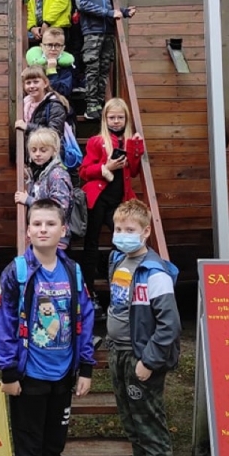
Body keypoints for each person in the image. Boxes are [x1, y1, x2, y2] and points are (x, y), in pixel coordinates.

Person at [0, 198, 95, 456]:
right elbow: (4, 322)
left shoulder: (73, 270)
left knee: (54, 449)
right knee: (29, 454)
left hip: (63, 376)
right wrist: (8, 372)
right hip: (29, 377)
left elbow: (85, 318)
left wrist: (86, 368)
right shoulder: (17, 271)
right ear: (28, 230)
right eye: (36, 223)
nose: (43, 229)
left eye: (50, 224)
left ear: (63, 230)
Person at [107, 199, 181, 456]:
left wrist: (148, 361)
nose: (122, 235)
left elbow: (169, 325)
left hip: (140, 358)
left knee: (150, 428)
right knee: (132, 426)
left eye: (129, 230)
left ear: (146, 231)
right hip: (119, 353)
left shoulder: (154, 272)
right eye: (118, 229)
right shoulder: (118, 261)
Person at [78, 97, 145, 313]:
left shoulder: (129, 141)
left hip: (119, 201)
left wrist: (136, 147)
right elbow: (84, 171)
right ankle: (89, 293)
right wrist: (105, 167)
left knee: (122, 244)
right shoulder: (97, 141)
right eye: (112, 117)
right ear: (105, 119)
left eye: (120, 117)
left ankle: (119, 287)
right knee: (91, 245)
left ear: (126, 119)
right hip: (98, 199)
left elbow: (133, 171)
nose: (116, 121)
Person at [74, 0, 136, 120]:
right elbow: (82, 4)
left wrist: (123, 12)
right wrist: (108, 13)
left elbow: (110, 6)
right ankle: (90, 104)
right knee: (92, 67)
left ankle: (100, 103)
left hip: (108, 29)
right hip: (91, 31)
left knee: (104, 67)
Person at [14, 128, 74, 247]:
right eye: (33, 150)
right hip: (40, 235)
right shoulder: (38, 173)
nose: (37, 154)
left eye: (43, 150)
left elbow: (59, 208)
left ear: (54, 151)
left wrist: (28, 200)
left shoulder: (58, 175)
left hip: (55, 238)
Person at [15, 65, 70, 144]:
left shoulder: (55, 105)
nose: (32, 86)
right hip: (32, 148)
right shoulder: (25, 103)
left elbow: (53, 133)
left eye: (36, 82)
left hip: (49, 149)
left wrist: (27, 126)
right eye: (28, 83)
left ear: (45, 83)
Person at [25, 27, 75, 100]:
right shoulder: (34, 64)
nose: (53, 49)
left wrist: (52, 72)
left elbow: (63, 92)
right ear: (42, 46)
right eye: (49, 45)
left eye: (57, 45)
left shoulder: (66, 67)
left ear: (63, 48)